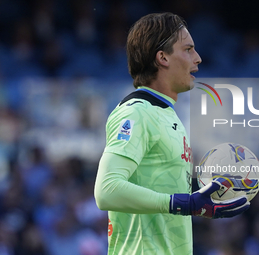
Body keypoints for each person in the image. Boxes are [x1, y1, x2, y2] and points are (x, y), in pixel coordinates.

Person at [94, 12, 250, 255]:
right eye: (188, 49)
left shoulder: (166, 114)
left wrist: (197, 202)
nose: (197, 58)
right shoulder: (137, 113)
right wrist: (183, 203)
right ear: (162, 57)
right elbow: (106, 190)